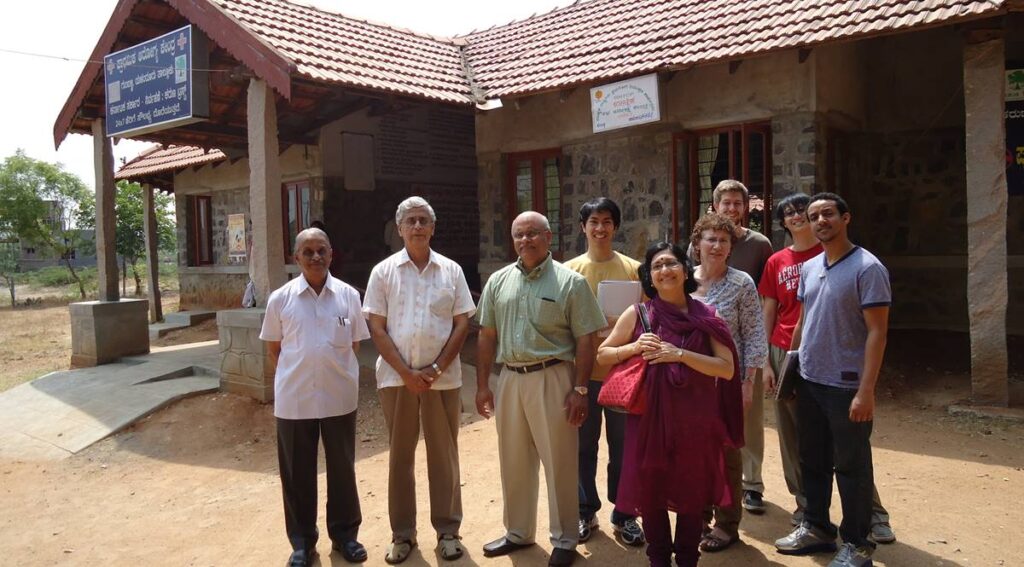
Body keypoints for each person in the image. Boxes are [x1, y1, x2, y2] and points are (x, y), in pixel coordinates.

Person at [759, 193, 896, 542]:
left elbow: (877, 333)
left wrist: (866, 390)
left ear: (846, 218)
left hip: (845, 384)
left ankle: (856, 543)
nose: (821, 221)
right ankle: (817, 526)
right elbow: (803, 324)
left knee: (851, 466)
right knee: (813, 460)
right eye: (815, 215)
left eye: (828, 214)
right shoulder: (809, 267)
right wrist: (790, 368)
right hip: (808, 379)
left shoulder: (868, 268)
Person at [475, 211, 607, 567]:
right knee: (513, 459)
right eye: (519, 234)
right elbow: (486, 335)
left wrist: (580, 390)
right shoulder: (498, 281)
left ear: (549, 238)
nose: (525, 240)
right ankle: (518, 531)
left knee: (559, 460)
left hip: (553, 378)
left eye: (533, 233)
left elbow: (586, 339)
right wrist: (484, 385)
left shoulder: (570, 283)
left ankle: (565, 537)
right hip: (510, 380)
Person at [601, 241, 742, 567]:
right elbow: (603, 354)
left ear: (684, 269)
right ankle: (659, 560)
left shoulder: (707, 315)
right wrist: (634, 347)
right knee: (651, 493)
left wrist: (679, 354)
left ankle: (688, 559)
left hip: (694, 422)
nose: (664, 271)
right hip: (649, 421)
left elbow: (726, 367)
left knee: (691, 496)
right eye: (657, 266)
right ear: (649, 276)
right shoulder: (638, 314)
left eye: (671, 263)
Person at [363, 197, 475, 564]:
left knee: (444, 455)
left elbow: (462, 323)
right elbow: (376, 327)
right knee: (400, 457)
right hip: (397, 381)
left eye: (423, 220)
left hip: (443, 380)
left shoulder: (451, 271)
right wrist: (406, 373)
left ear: (433, 226)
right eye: (409, 220)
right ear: (399, 228)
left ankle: (448, 531)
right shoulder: (383, 272)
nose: (416, 226)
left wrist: (437, 368)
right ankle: (402, 535)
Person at [259, 228, 372, 567]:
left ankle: (345, 536)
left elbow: (354, 344)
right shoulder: (280, 299)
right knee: (297, 473)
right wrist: (302, 372)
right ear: (296, 258)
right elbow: (274, 350)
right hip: (295, 401)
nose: (315, 257)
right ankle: (302, 542)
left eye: (321, 250)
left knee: (342, 469)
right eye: (307, 251)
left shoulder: (349, 296)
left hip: (339, 398)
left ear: (331, 254)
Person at [563, 197, 645, 547]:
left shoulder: (634, 269)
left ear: (615, 226)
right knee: (581, 447)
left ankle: (625, 514)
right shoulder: (567, 271)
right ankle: (584, 511)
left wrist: (616, 326)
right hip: (581, 377)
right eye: (593, 221)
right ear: (583, 226)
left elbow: (647, 319)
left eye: (607, 221)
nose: (600, 228)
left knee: (625, 448)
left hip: (623, 377)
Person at [688, 180, 773, 517]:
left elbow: (753, 334)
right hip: (691, 379)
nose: (718, 246)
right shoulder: (681, 280)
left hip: (729, 379)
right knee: (697, 445)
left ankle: (728, 516)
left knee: (729, 446)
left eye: (724, 241)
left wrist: (748, 381)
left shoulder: (741, 282)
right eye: (711, 240)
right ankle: (701, 506)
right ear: (697, 244)